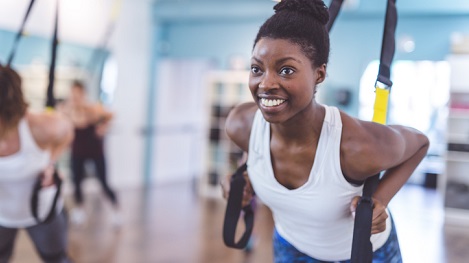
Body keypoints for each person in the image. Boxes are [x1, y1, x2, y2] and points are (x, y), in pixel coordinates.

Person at [221, 0, 430, 262]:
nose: (266, 83)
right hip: (290, 245)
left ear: (319, 75)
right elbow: (254, 152)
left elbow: (421, 143)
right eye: (256, 69)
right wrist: (247, 176)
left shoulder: (356, 146)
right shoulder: (242, 124)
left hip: (362, 253)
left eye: (286, 70)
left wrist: (380, 200)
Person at [0, 65, 74, 262]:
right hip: (2, 216)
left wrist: (50, 161)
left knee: (57, 258)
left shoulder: (41, 127)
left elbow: (67, 132)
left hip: (42, 213)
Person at [58, 80, 120, 226]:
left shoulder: (92, 108)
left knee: (103, 182)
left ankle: (116, 209)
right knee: (76, 182)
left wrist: (102, 127)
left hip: (95, 151)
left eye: (78, 93)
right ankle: (80, 209)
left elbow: (110, 116)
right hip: (77, 151)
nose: (75, 96)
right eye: (73, 93)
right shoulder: (66, 109)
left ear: (83, 93)